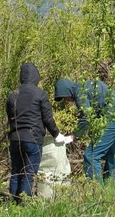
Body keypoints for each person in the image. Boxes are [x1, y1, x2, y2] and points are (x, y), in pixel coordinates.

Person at [6, 62, 71, 202]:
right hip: (32, 139)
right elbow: (48, 119)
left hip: (15, 139)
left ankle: (12, 205)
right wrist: (57, 134)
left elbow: (10, 117)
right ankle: (23, 206)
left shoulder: (13, 94)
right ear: (36, 77)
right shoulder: (40, 94)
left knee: (16, 173)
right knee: (28, 174)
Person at [54, 75, 115, 182]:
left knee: (91, 155)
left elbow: (86, 117)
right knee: (110, 153)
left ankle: (97, 190)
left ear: (67, 91)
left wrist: (73, 136)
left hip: (113, 119)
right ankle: (110, 186)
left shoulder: (80, 92)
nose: (65, 100)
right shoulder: (84, 86)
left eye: (64, 97)